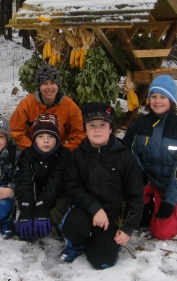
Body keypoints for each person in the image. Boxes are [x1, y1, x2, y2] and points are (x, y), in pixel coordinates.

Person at [59, 102, 143, 269]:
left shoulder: (125, 156)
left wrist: (128, 228)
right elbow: (72, 186)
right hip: (86, 209)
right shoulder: (77, 156)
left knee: (101, 261)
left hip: (112, 214)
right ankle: (77, 245)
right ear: (85, 129)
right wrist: (94, 208)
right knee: (73, 225)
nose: (97, 130)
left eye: (102, 125)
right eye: (92, 125)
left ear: (111, 128)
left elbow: (136, 194)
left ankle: (102, 242)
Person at [123, 75, 177, 241]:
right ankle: (146, 204)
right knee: (136, 220)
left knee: (162, 233)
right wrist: (137, 176)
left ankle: (166, 206)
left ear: (171, 100)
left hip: (170, 186)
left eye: (163, 97)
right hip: (146, 182)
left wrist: (170, 201)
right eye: (153, 96)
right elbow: (127, 152)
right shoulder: (139, 124)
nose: (157, 101)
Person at [15, 113, 71, 240]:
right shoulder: (27, 155)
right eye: (40, 136)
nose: (45, 141)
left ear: (57, 138)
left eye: (51, 136)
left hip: (55, 196)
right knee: (21, 201)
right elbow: (25, 181)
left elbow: (56, 182)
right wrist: (26, 208)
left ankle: (61, 226)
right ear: (34, 139)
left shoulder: (65, 156)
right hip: (34, 193)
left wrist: (42, 207)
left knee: (56, 213)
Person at [10, 64, 86, 151]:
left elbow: (79, 134)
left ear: (58, 85)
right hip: (33, 153)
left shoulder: (70, 106)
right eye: (44, 83)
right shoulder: (27, 104)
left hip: (61, 154)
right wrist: (33, 150)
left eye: (53, 83)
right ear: (39, 86)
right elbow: (15, 132)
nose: (49, 87)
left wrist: (62, 151)